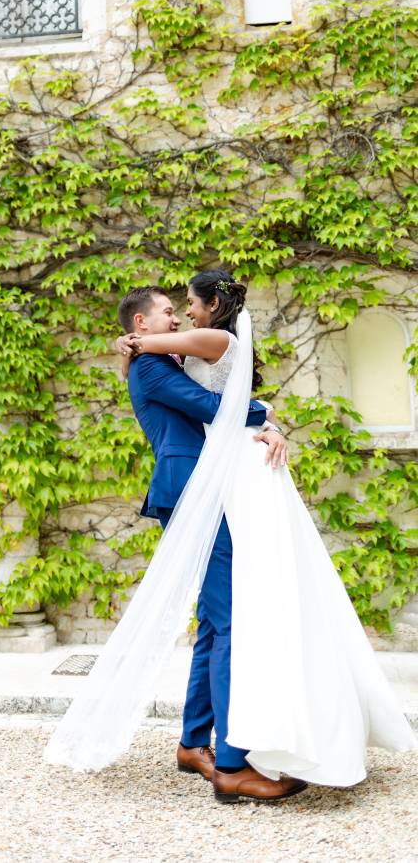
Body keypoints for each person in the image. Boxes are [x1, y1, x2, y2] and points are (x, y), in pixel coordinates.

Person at [114, 270, 416, 796]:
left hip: (215, 485)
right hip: (192, 489)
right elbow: (214, 408)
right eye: (169, 311)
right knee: (229, 619)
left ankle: (193, 742)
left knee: (215, 619)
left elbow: (217, 401)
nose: (179, 316)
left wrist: (265, 425)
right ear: (142, 322)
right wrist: (268, 417)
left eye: (186, 306)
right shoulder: (151, 366)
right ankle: (231, 768)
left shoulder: (169, 355)